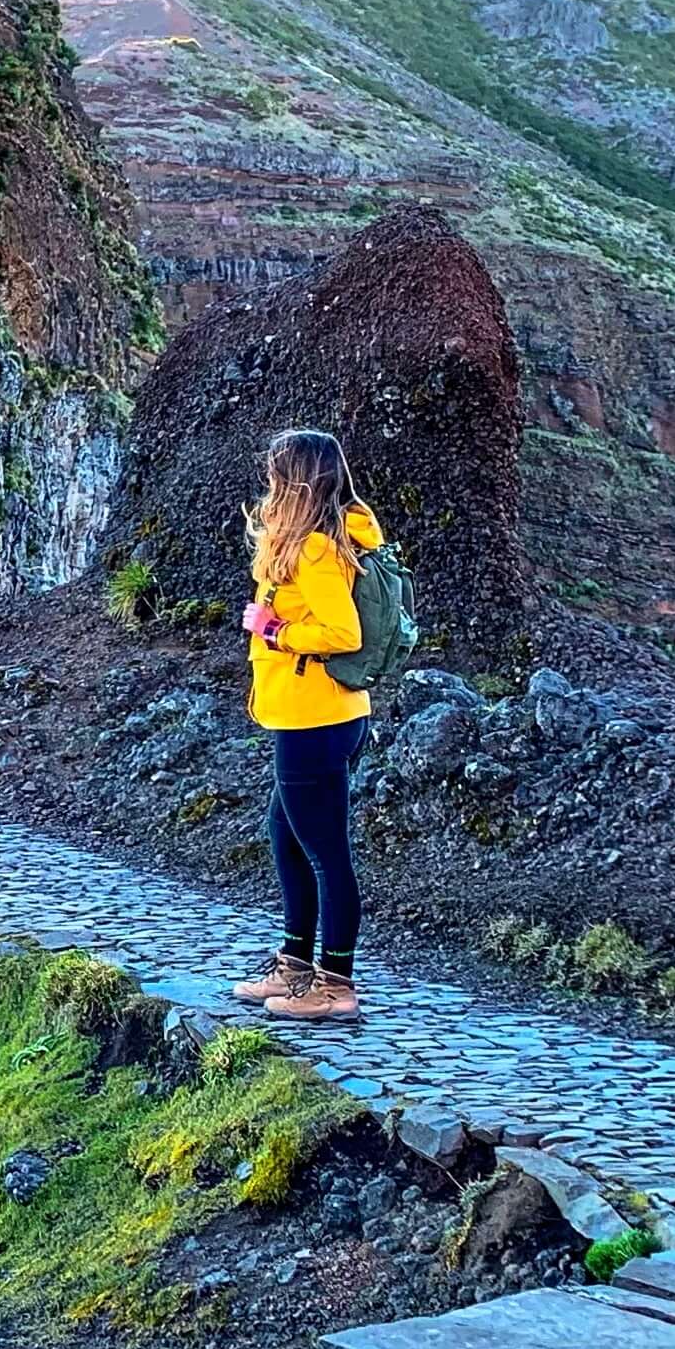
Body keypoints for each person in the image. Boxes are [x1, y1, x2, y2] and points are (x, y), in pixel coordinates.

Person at [229, 428, 382, 1022]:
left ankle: (336, 985)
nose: (267, 485)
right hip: (316, 715)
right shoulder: (309, 543)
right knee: (288, 842)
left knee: (325, 854)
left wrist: (273, 631)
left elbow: (344, 633)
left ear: (294, 482)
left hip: (316, 718)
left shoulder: (317, 549)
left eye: (275, 475)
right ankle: (294, 967)